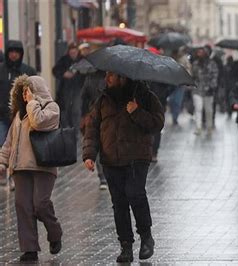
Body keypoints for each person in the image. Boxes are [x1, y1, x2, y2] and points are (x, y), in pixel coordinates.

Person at [83, 72, 164, 262]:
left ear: (123, 77)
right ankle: (126, 245)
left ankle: (146, 237)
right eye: (107, 74)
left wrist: (136, 111)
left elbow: (157, 123)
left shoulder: (145, 96)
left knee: (135, 194)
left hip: (137, 157)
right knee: (119, 203)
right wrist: (89, 155)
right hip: (111, 159)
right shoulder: (103, 99)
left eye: (111, 75)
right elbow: (92, 127)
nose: (107, 78)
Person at [0, 75, 63, 262]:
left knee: (40, 204)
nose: (25, 94)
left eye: (28, 90)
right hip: (20, 168)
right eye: (23, 91)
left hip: (43, 166)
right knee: (23, 207)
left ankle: (55, 233)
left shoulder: (52, 108)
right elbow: (9, 143)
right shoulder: (19, 115)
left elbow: (39, 122)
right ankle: (29, 248)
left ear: (36, 90)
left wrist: (32, 103)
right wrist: (2, 162)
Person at [0, 40, 36, 188]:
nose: (14, 55)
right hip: (2, 116)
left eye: (17, 52)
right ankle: (3, 171)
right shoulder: (1, 70)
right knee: (3, 144)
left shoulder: (28, 71)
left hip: (22, 117)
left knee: (19, 147)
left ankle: (14, 175)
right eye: (11, 52)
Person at [80, 69, 107, 189]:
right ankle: (103, 175)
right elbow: (84, 97)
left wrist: (84, 113)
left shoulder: (90, 77)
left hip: (96, 113)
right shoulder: (92, 78)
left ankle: (103, 176)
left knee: (100, 143)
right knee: (101, 143)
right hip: (98, 114)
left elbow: (83, 97)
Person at [52, 43, 84, 129]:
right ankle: (67, 130)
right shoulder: (64, 60)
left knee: (76, 110)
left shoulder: (82, 60)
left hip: (78, 88)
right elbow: (55, 70)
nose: (73, 54)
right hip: (66, 89)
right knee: (66, 110)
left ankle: (75, 130)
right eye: (71, 52)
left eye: (74, 52)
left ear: (77, 52)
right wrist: (63, 74)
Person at [191, 47, 219, 135]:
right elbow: (192, 75)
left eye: (201, 52)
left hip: (208, 91)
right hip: (197, 89)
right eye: (198, 52)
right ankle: (198, 127)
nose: (199, 54)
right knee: (198, 108)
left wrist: (211, 86)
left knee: (208, 110)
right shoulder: (195, 64)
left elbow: (215, 75)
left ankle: (209, 127)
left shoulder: (212, 64)